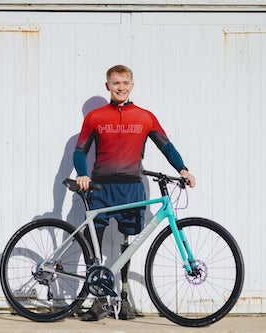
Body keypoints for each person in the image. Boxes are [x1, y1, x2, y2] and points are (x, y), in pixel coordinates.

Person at [73, 65, 196, 321]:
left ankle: (124, 297)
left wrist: (183, 169)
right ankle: (98, 300)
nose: (121, 87)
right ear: (107, 86)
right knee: (93, 240)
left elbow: (166, 145)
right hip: (100, 187)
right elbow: (80, 151)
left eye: (126, 82)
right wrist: (82, 173)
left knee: (128, 243)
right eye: (116, 83)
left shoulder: (144, 117)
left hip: (131, 188)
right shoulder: (95, 117)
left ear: (132, 85)